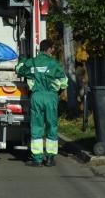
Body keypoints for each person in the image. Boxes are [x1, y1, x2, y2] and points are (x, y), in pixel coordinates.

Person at [16, 39, 68, 167]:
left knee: (37, 127)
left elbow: (18, 70)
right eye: (53, 49)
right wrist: (58, 91)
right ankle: (50, 158)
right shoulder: (54, 63)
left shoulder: (32, 62)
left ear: (40, 49)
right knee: (52, 126)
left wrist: (22, 59)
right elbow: (64, 81)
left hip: (37, 96)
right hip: (51, 97)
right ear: (49, 49)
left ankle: (37, 159)